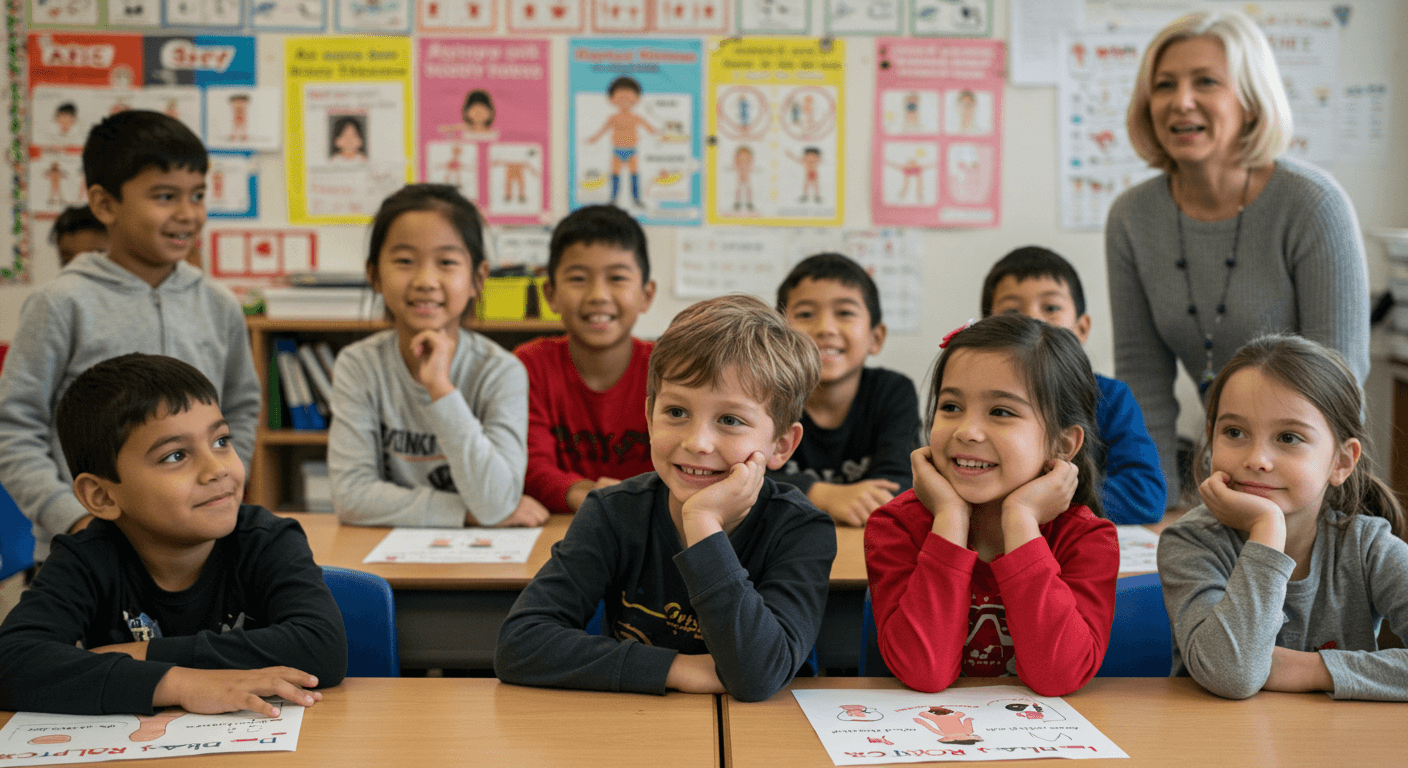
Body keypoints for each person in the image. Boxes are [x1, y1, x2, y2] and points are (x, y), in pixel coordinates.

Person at [495, 294, 835, 702]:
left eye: (730, 420)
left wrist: (703, 524)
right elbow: (520, 644)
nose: (697, 442)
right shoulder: (612, 511)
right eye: (676, 412)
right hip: (641, 731)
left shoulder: (800, 529)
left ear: (781, 445)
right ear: (649, 417)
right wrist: (678, 668)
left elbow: (757, 676)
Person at [1107, 9, 1369, 505]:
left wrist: (1290, 506)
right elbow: (1142, 378)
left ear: (1251, 102)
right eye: (1164, 85)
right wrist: (1156, 504)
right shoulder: (1130, 216)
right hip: (1216, 474)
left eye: (1205, 81)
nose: (1180, 102)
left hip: (1310, 484)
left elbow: (1341, 380)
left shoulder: (1313, 204)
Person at [0, 353, 346, 715]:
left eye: (221, 441)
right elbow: (11, 662)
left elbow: (322, 646)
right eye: (175, 456)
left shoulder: (266, 539)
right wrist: (177, 682)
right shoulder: (87, 557)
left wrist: (144, 655)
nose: (217, 469)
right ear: (102, 496)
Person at [0, 110, 260, 564]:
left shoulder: (219, 304)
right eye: (165, 196)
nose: (187, 214)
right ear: (104, 205)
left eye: (197, 195)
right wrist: (73, 518)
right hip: (86, 550)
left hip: (197, 553)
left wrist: (223, 491)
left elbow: (240, 407)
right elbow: (15, 428)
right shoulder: (62, 303)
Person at [865, 314, 1118, 695]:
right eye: (950, 407)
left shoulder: (1087, 540)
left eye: (1001, 412)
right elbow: (924, 671)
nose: (967, 431)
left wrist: (1021, 520)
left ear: (1064, 444)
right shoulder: (896, 527)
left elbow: (1057, 677)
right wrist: (949, 518)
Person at [1158, 335, 1408, 701]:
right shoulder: (1191, 542)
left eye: (1288, 437)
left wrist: (1308, 669)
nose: (1257, 458)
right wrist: (1267, 528)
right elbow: (1233, 676)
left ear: (1341, 462)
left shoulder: (1367, 546)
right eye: (1234, 432)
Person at [328, 184, 543, 528]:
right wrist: (464, 512)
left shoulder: (501, 370)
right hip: (386, 558)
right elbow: (351, 496)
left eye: (446, 262)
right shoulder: (359, 365)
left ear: (478, 278)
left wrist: (441, 389)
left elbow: (498, 501)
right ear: (374, 275)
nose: (426, 280)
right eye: (404, 261)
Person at [982, 246, 1166, 524]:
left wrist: (1050, 496)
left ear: (1081, 328)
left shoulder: (1111, 398)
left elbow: (1146, 496)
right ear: (987, 330)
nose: (1034, 320)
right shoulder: (978, 398)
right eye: (1011, 311)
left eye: (1051, 308)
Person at [516, 205, 657, 515]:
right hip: (560, 529)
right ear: (550, 294)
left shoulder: (669, 369)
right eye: (578, 278)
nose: (598, 295)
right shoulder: (527, 367)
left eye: (617, 277)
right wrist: (584, 494)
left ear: (647, 294)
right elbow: (528, 465)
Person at [773, 253, 919, 527]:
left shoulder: (893, 392)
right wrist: (820, 494)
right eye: (805, 314)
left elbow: (902, 484)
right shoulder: (764, 394)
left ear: (876, 338)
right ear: (780, 336)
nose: (825, 328)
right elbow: (739, 475)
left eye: (844, 313)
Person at [587, 76, 654, 209]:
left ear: (637, 99)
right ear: (611, 100)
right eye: (620, 98)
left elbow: (650, 128)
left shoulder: (636, 117)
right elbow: (603, 130)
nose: (625, 102)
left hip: (632, 150)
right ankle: (613, 200)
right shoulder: (613, 118)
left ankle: (636, 199)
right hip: (617, 150)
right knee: (615, 175)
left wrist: (658, 133)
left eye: (629, 99)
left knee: (634, 175)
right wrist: (594, 138)